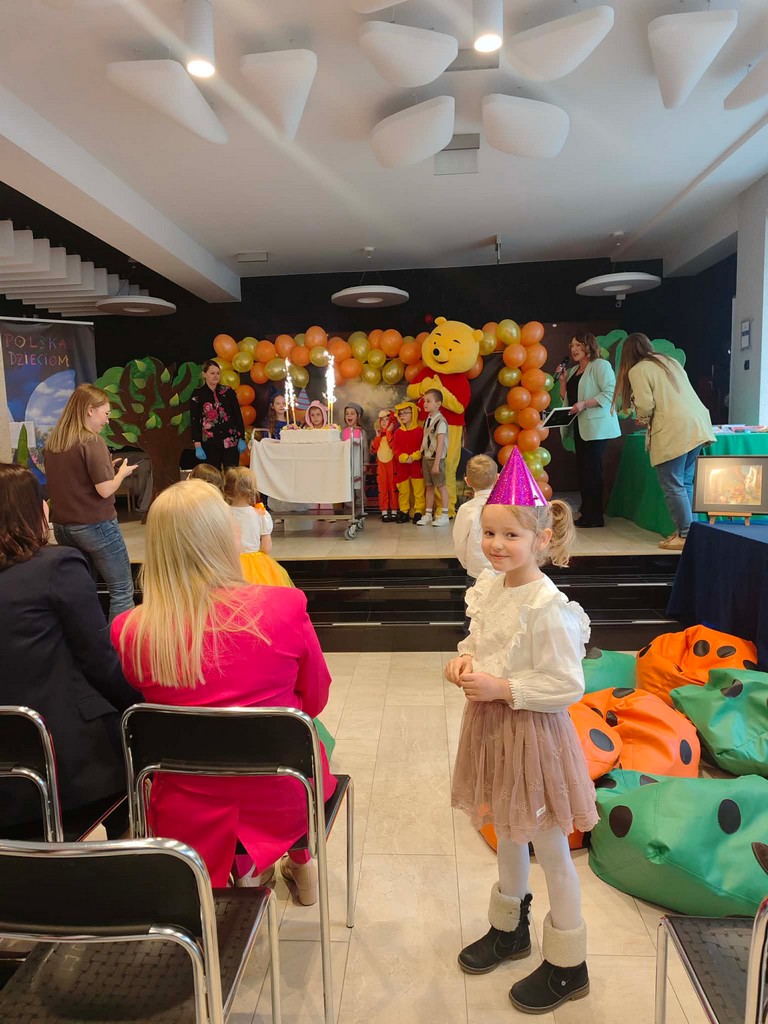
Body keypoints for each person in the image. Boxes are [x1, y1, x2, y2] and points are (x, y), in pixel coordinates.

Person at [111, 480, 337, 902]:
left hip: (185, 808)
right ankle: (300, 863)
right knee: (298, 738)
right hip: (285, 796)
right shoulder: (284, 607)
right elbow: (316, 698)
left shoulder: (131, 631)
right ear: (222, 536)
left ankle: (246, 869)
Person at [447, 447, 597, 1015]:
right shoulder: (492, 587)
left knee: (550, 846)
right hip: (494, 729)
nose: (496, 544)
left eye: (511, 535)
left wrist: (503, 688)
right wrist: (464, 661)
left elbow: (567, 684)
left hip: (534, 737)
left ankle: (569, 963)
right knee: (507, 830)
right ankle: (509, 929)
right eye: (489, 532)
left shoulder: (547, 604)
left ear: (541, 539)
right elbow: (481, 641)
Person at [0, 463, 138, 840]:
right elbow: (99, 660)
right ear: (29, 510)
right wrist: (140, 705)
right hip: (63, 766)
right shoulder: (57, 566)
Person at [44, 383, 137, 622]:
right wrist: (121, 474)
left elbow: (73, 480)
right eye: (105, 413)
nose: (107, 420)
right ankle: (119, 643)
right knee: (121, 589)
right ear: (89, 410)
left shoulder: (53, 443)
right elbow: (105, 490)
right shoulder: (92, 441)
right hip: (96, 525)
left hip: (64, 528)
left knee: (85, 589)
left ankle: (91, 639)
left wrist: (107, 469)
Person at [614, 332, 715, 550]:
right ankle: (690, 532)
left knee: (673, 484)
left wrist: (642, 417)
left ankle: (685, 535)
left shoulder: (638, 370)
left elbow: (645, 405)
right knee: (685, 482)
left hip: (673, 430)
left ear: (628, 354)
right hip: (696, 426)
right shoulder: (670, 362)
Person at [559, 333, 620, 528]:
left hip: (597, 427)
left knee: (593, 470)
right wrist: (563, 381)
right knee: (584, 470)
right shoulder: (574, 370)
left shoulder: (600, 365)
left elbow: (610, 393)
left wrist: (585, 404)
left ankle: (595, 517)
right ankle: (586, 512)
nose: (574, 349)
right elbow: (568, 399)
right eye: (572, 345)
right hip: (580, 426)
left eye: (579, 345)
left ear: (589, 346)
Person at [223, 466, 292, 587]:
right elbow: (266, 548)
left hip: (229, 563)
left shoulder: (222, 513)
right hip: (255, 564)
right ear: (252, 490)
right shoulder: (261, 515)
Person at [190, 360, 245, 470]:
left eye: (218, 373)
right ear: (204, 374)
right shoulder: (198, 394)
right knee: (212, 474)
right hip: (210, 442)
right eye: (212, 373)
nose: (215, 376)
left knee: (232, 473)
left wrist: (241, 437)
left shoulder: (228, 391)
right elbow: (194, 420)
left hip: (230, 440)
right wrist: (197, 444)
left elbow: (237, 415)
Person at [452, 454, 498, 580]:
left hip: (477, 572)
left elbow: (459, 542)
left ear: (467, 481)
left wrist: (467, 564)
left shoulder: (466, 509)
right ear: (497, 478)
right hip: (503, 571)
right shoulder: (507, 506)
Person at [417, 388, 450, 527]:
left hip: (436, 459)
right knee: (429, 486)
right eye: (424, 401)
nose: (425, 404)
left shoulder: (440, 422)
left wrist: (436, 464)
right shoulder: (427, 420)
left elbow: (440, 443)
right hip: (427, 458)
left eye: (428, 401)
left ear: (438, 404)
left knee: (441, 486)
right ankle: (428, 514)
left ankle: (445, 514)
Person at [391, 401, 426, 524]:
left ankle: (418, 511)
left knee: (419, 490)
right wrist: (403, 457)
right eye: (400, 414)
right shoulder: (397, 432)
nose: (403, 416)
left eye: (406, 413)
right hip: (402, 467)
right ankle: (404, 511)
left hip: (416, 466)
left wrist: (415, 456)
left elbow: (422, 447)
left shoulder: (419, 431)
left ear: (413, 413)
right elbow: (395, 449)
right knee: (403, 491)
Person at [371, 409, 398, 522]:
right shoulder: (379, 436)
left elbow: (393, 446)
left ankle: (394, 511)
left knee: (393, 487)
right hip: (381, 466)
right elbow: (373, 450)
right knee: (383, 488)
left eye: (387, 420)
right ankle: (384, 511)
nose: (384, 422)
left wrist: (388, 432)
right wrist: (378, 436)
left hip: (392, 465)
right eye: (382, 420)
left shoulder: (393, 435)